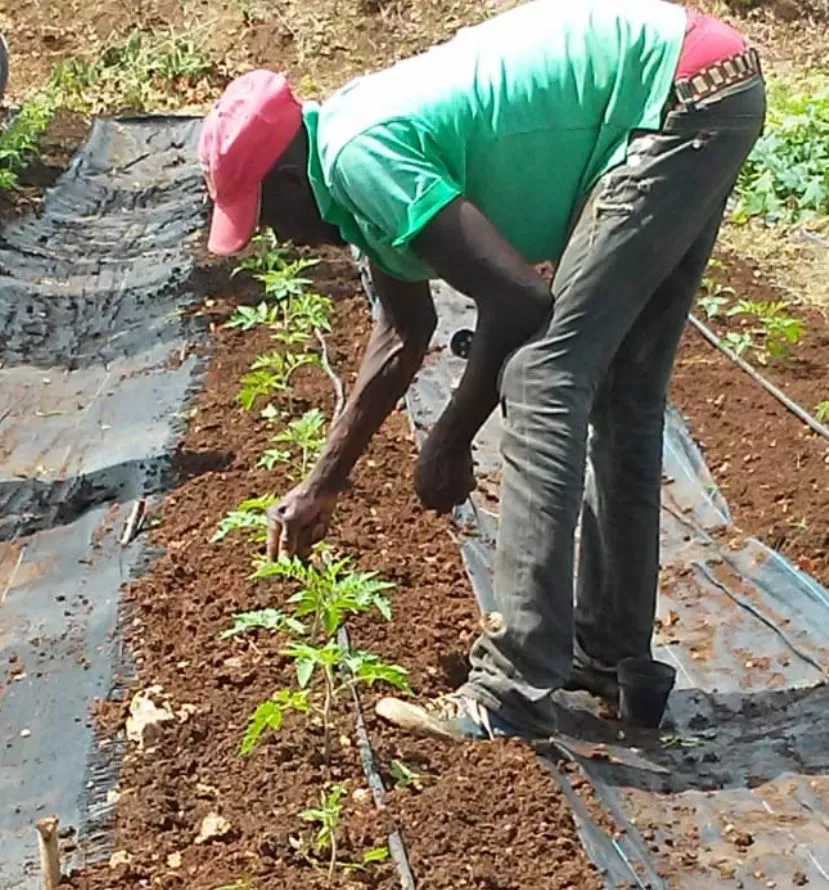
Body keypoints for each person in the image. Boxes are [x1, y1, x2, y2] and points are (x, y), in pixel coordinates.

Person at [199, 0, 765, 742]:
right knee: (622, 391)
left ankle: (509, 688)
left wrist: (450, 436)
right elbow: (404, 331)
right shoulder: (346, 158)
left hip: (671, 96)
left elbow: (517, 298)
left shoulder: (355, 154)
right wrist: (322, 482)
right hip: (703, 84)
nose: (281, 237)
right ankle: (612, 659)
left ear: (285, 179)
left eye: (266, 216)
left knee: (542, 376)